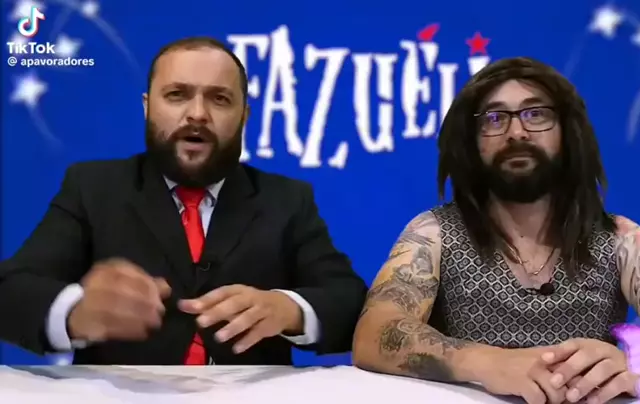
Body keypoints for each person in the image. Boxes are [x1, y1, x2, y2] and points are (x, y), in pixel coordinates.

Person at [352, 57, 640, 404]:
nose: (516, 132)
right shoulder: (435, 233)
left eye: (536, 114)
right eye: (494, 118)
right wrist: (490, 363)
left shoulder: (622, 240)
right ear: (471, 142)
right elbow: (375, 334)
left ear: (567, 132)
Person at [0, 36, 367, 365]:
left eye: (220, 99)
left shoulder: (287, 199)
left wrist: (289, 309)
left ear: (244, 116)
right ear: (147, 107)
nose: (197, 114)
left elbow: (349, 298)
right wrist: (75, 311)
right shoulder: (92, 187)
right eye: (177, 95)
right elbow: (10, 291)